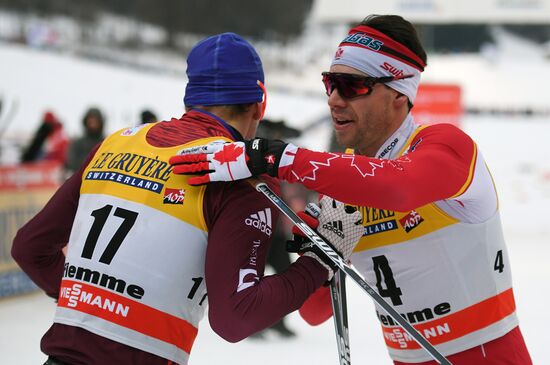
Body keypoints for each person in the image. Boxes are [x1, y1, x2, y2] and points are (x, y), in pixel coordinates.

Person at [168, 15, 533, 365]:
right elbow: (314, 312)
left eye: (352, 86)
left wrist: (278, 157)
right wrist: (319, 255)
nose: (334, 99)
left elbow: (399, 187)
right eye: (330, 84)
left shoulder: (445, 146)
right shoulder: (342, 189)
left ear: (398, 92)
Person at [11, 32, 364, 365]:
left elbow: (29, 247)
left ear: (190, 97)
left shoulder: (117, 142)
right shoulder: (238, 178)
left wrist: (93, 303)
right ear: (259, 105)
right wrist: (319, 261)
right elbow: (236, 318)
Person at [65, 107, 105, 173]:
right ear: (86, 122)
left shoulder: (106, 142)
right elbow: (71, 162)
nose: (92, 123)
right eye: (90, 120)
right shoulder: (77, 143)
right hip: (81, 179)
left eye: (95, 120)